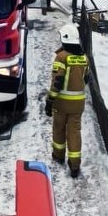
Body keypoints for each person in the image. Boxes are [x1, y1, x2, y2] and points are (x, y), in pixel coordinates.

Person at [46, 21, 88, 176]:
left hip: (62, 103)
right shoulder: (84, 58)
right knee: (74, 132)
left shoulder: (61, 57)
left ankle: (58, 156)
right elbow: (86, 79)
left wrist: (50, 100)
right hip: (78, 104)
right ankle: (74, 165)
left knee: (59, 128)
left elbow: (57, 82)